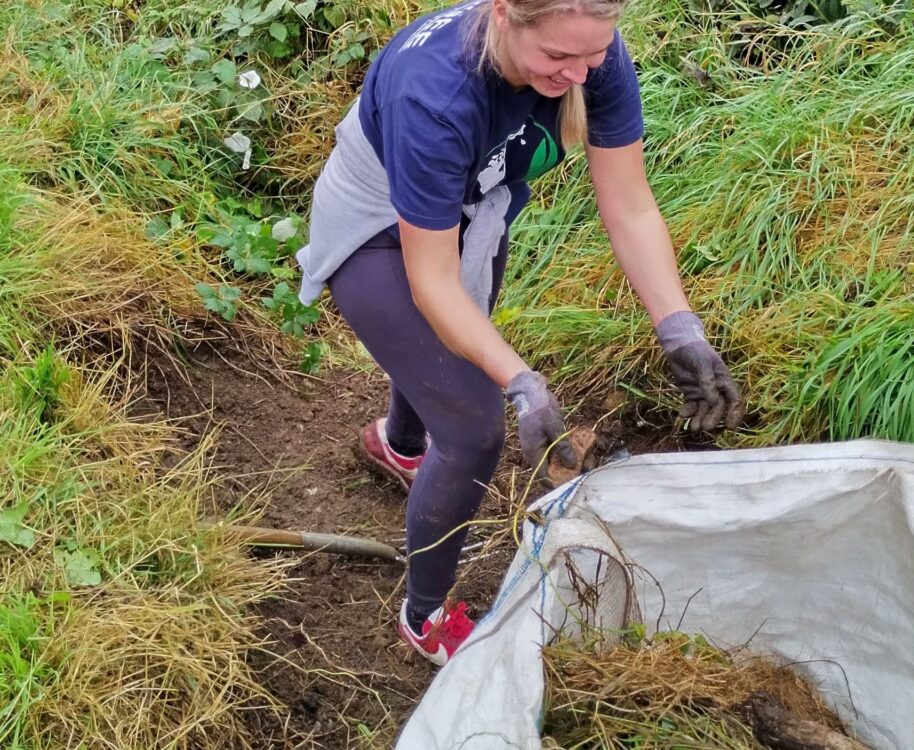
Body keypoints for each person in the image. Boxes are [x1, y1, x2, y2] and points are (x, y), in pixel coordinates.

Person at [295, 0, 743, 667]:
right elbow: (434, 284)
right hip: (377, 226)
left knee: (446, 368)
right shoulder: (438, 93)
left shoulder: (595, 53)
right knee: (475, 430)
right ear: (505, 14)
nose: (575, 74)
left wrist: (682, 331)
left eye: (590, 58)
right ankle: (425, 617)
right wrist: (522, 384)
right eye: (557, 59)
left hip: (473, 210)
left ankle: (398, 444)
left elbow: (630, 204)